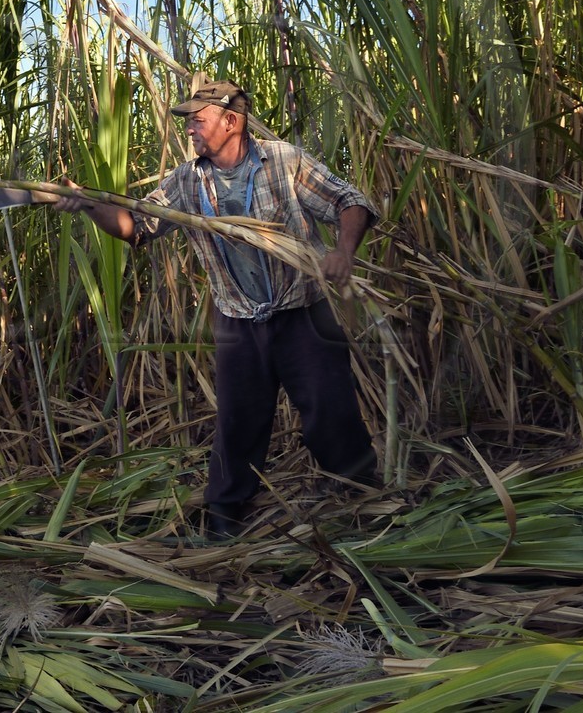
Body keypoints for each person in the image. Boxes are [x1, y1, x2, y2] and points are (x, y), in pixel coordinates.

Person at [55, 78, 379, 537]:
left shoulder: (283, 161)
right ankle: (224, 518)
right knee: (237, 421)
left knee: (331, 411)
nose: (189, 129)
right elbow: (136, 226)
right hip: (238, 321)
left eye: (198, 120)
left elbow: (350, 202)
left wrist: (343, 252)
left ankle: (363, 499)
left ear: (232, 121)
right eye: (187, 122)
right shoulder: (187, 181)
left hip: (302, 313)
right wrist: (88, 204)